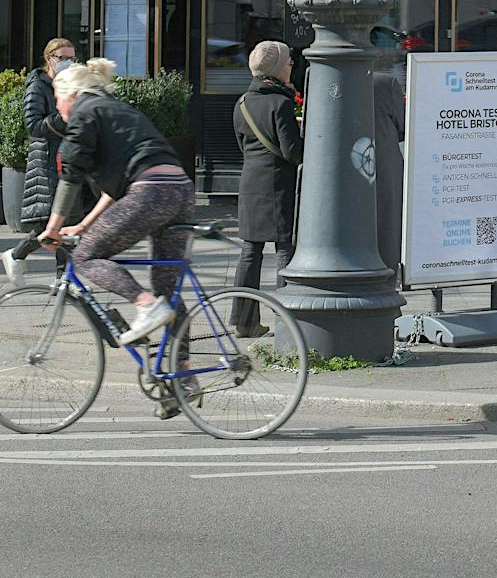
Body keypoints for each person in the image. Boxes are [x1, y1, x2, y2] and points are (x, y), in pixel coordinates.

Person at [39, 58, 194, 346]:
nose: (58, 110)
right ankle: (181, 374)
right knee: (167, 288)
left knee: (85, 257)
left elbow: (71, 176)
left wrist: (53, 228)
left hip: (151, 192)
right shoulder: (118, 110)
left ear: (71, 94)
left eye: (58, 100)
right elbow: (117, 185)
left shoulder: (84, 113)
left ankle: (144, 305)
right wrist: (85, 224)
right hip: (180, 189)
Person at [231, 40, 302, 335]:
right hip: (278, 186)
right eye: (288, 63)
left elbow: (243, 144)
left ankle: (245, 322)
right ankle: (288, 323)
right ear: (275, 69)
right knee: (284, 249)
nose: (291, 67)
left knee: (250, 252)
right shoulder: (280, 103)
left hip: (250, 184)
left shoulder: (243, 102)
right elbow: (292, 152)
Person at [1, 37, 77, 282]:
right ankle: (17, 254)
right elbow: (32, 125)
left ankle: (62, 278)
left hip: (67, 156)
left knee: (65, 218)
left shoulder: (70, 84)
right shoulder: (38, 84)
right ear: (49, 58)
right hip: (45, 158)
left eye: (71, 58)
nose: (67, 62)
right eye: (62, 57)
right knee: (50, 221)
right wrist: (62, 117)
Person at [369, 29, 406, 274]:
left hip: (345, 164)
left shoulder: (324, 77)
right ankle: (387, 269)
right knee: (388, 218)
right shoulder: (386, 83)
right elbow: (403, 127)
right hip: (383, 160)